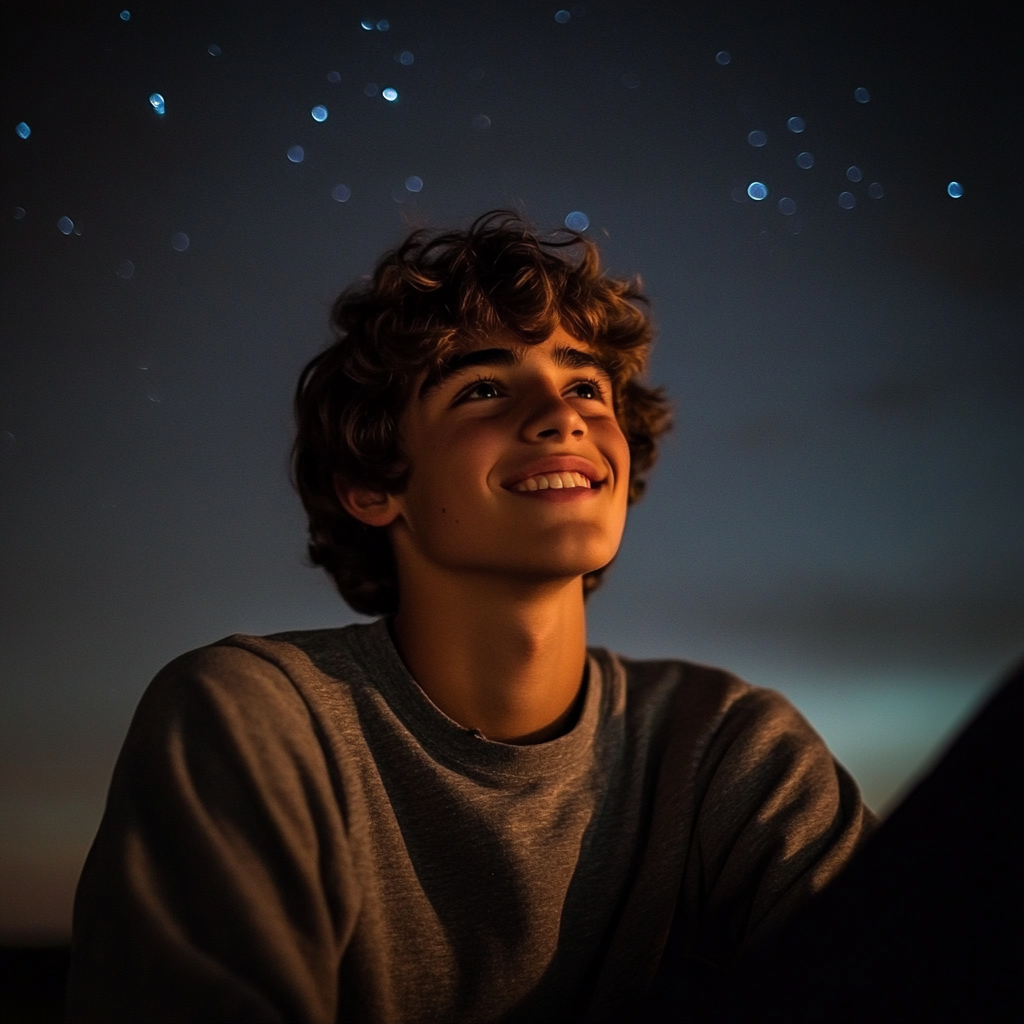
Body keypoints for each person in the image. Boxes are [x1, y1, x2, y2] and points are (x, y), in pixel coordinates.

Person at [65, 211, 875, 1023]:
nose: (564, 418)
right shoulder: (252, 722)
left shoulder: (728, 750)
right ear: (374, 485)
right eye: (484, 388)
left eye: (587, 386)